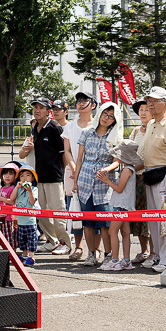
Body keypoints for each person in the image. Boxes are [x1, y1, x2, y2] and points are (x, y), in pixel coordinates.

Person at [137, 87, 166, 273]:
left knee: (165, 219)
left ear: (165, 103)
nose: (150, 104)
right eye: (149, 100)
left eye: (155, 101)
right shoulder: (151, 124)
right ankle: (157, 255)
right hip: (149, 175)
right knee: (154, 220)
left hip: (164, 175)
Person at [72, 101, 122, 267]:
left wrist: (107, 169)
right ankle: (91, 254)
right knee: (87, 221)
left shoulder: (115, 137)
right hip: (85, 181)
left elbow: (117, 161)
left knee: (105, 222)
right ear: (100, 113)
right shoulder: (87, 133)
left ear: (115, 121)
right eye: (105, 114)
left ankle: (108, 255)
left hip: (104, 184)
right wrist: (76, 182)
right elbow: (79, 159)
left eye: (111, 117)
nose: (106, 118)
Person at [19, 98, 69, 256]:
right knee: (41, 212)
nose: (37, 110)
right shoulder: (35, 127)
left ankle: (65, 243)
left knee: (58, 211)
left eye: (41, 107)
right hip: (38, 177)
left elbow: (64, 154)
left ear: (49, 111)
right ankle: (51, 241)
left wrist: (63, 173)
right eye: (35, 107)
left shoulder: (55, 128)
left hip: (54, 177)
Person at [62, 91, 97, 261]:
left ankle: (96, 248)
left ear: (93, 105)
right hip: (73, 171)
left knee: (94, 209)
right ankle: (78, 247)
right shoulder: (69, 126)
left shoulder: (98, 125)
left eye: (85, 100)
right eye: (78, 101)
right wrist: (75, 168)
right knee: (75, 209)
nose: (81, 103)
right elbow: (67, 151)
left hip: (93, 172)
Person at [128, 99, 155, 267]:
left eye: (146, 109)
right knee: (138, 215)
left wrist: (134, 167)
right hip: (135, 178)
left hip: (150, 177)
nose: (143, 113)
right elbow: (129, 150)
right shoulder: (136, 131)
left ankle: (154, 252)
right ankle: (144, 250)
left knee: (150, 216)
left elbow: (153, 156)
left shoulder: (155, 129)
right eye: (141, 110)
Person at [97, 154, 136, 271]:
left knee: (112, 231)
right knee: (125, 232)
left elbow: (119, 189)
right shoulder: (130, 169)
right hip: (125, 205)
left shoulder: (126, 170)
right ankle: (126, 260)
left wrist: (107, 180)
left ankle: (114, 260)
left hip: (120, 205)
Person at [8, 165, 39, 266]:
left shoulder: (34, 189)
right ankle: (24, 255)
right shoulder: (18, 189)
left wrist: (29, 190)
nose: (24, 178)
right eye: (22, 176)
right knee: (22, 240)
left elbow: (32, 202)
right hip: (20, 220)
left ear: (33, 178)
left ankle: (31, 257)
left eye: (27, 175)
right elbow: (12, 199)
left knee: (31, 240)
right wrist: (17, 187)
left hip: (30, 221)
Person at [0, 161, 20, 252]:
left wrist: (1, 199)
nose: (7, 176)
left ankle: (12, 252)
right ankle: (8, 251)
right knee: (4, 234)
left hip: (10, 217)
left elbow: (12, 201)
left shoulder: (13, 188)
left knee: (11, 236)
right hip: (2, 216)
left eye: (10, 174)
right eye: (5, 174)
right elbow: (0, 201)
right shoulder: (2, 188)